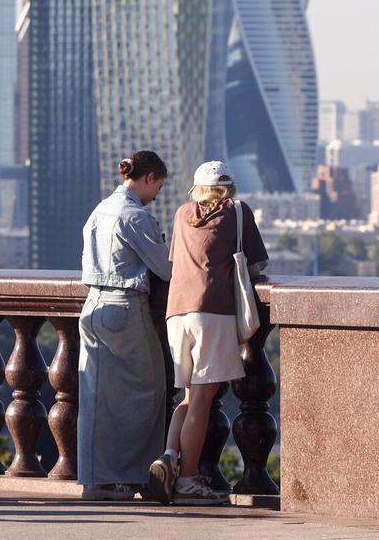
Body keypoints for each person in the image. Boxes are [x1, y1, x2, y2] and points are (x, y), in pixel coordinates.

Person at [147, 160, 270, 506]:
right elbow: (257, 264)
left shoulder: (183, 212)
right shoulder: (237, 211)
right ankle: (187, 482)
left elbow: (175, 259)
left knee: (188, 397)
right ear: (229, 188)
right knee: (202, 400)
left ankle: (170, 457)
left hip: (176, 313)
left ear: (197, 190)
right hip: (211, 311)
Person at [77, 150, 173, 502]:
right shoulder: (136, 217)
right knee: (149, 389)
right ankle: (129, 476)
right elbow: (167, 269)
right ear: (148, 178)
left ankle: (94, 479)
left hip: (92, 306)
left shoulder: (99, 211)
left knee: (96, 396)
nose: (156, 196)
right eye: (158, 187)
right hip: (124, 307)